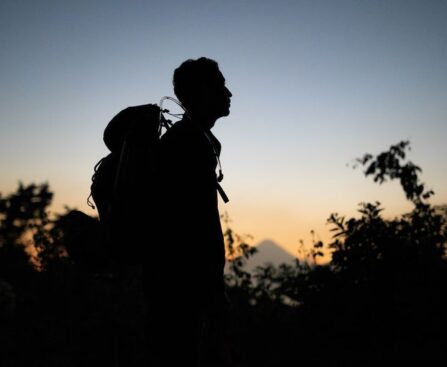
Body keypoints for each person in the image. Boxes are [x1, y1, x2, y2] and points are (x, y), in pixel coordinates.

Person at [144, 57, 233, 366]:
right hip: (183, 285)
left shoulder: (194, 139)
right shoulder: (189, 143)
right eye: (220, 85)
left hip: (174, 281)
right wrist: (213, 287)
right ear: (201, 92)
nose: (228, 93)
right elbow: (198, 222)